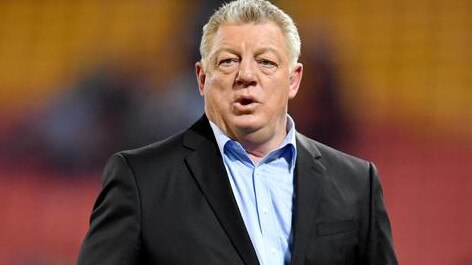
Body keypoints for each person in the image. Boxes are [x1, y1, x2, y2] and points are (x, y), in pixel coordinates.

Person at [77, 0, 398, 264]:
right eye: (229, 62)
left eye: (266, 63)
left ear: (294, 79)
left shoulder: (358, 184)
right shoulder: (140, 180)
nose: (247, 75)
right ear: (202, 77)